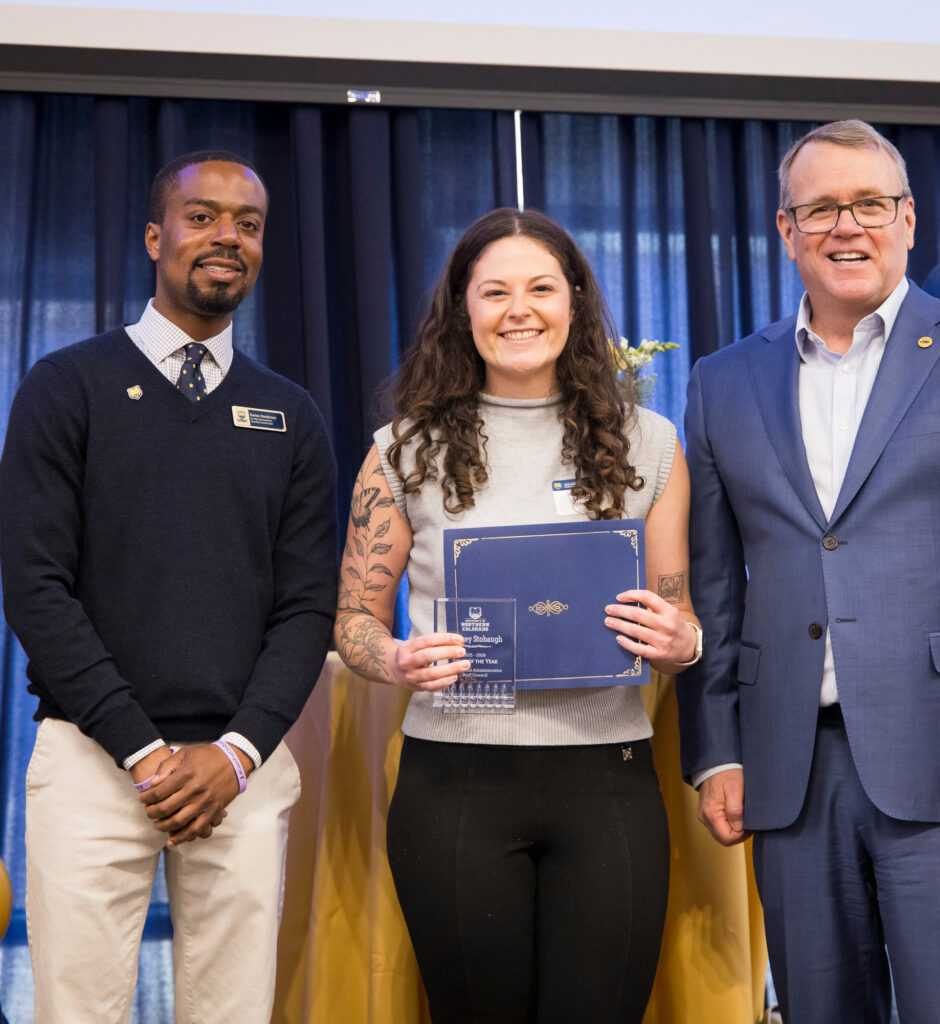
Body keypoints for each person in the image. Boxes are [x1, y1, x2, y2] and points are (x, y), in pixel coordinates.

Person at [680, 118, 940, 1023]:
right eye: (821, 207)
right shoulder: (722, 382)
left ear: (908, 219)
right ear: (786, 231)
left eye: (869, 203)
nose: (847, 226)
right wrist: (716, 748)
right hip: (788, 769)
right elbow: (713, 585)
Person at [335, 207, 701, 1023]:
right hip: (455, 785)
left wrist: (682, 639)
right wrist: (394, 659)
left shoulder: (651, 443)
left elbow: (680, 620)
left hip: (608, 783)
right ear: (461, 308)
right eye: (493, 291)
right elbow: (353, 622)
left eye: (540, 287)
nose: (518, 310)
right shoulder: (401, 448)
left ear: (573, 300)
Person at [0, 150, 337, 1023]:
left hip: (242, 771)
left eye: (250, 224)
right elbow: (35, 587)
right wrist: (145, 754)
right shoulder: (64, 387)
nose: (228, 237)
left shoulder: (291, 415)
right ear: (156, 237)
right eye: (203, 216)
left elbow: (308, 607)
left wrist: (233, 755)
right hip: (92, 762)